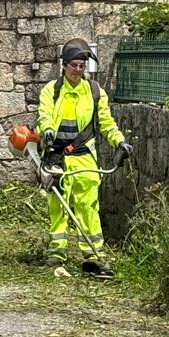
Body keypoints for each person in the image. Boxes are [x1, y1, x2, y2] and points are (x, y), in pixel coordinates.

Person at [36, 39, 132, 276]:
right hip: (57, 157)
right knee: (58, 205)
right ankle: (57, 252)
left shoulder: (95, 92)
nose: (78, 70)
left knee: (88, 206)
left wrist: (119, 141)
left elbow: (106, 123)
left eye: (82, 66)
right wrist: (47, 130)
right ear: (64, 65)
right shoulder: (52, 91)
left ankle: (94, 256)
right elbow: (44, 115)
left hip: (85, 157)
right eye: (74, 65)